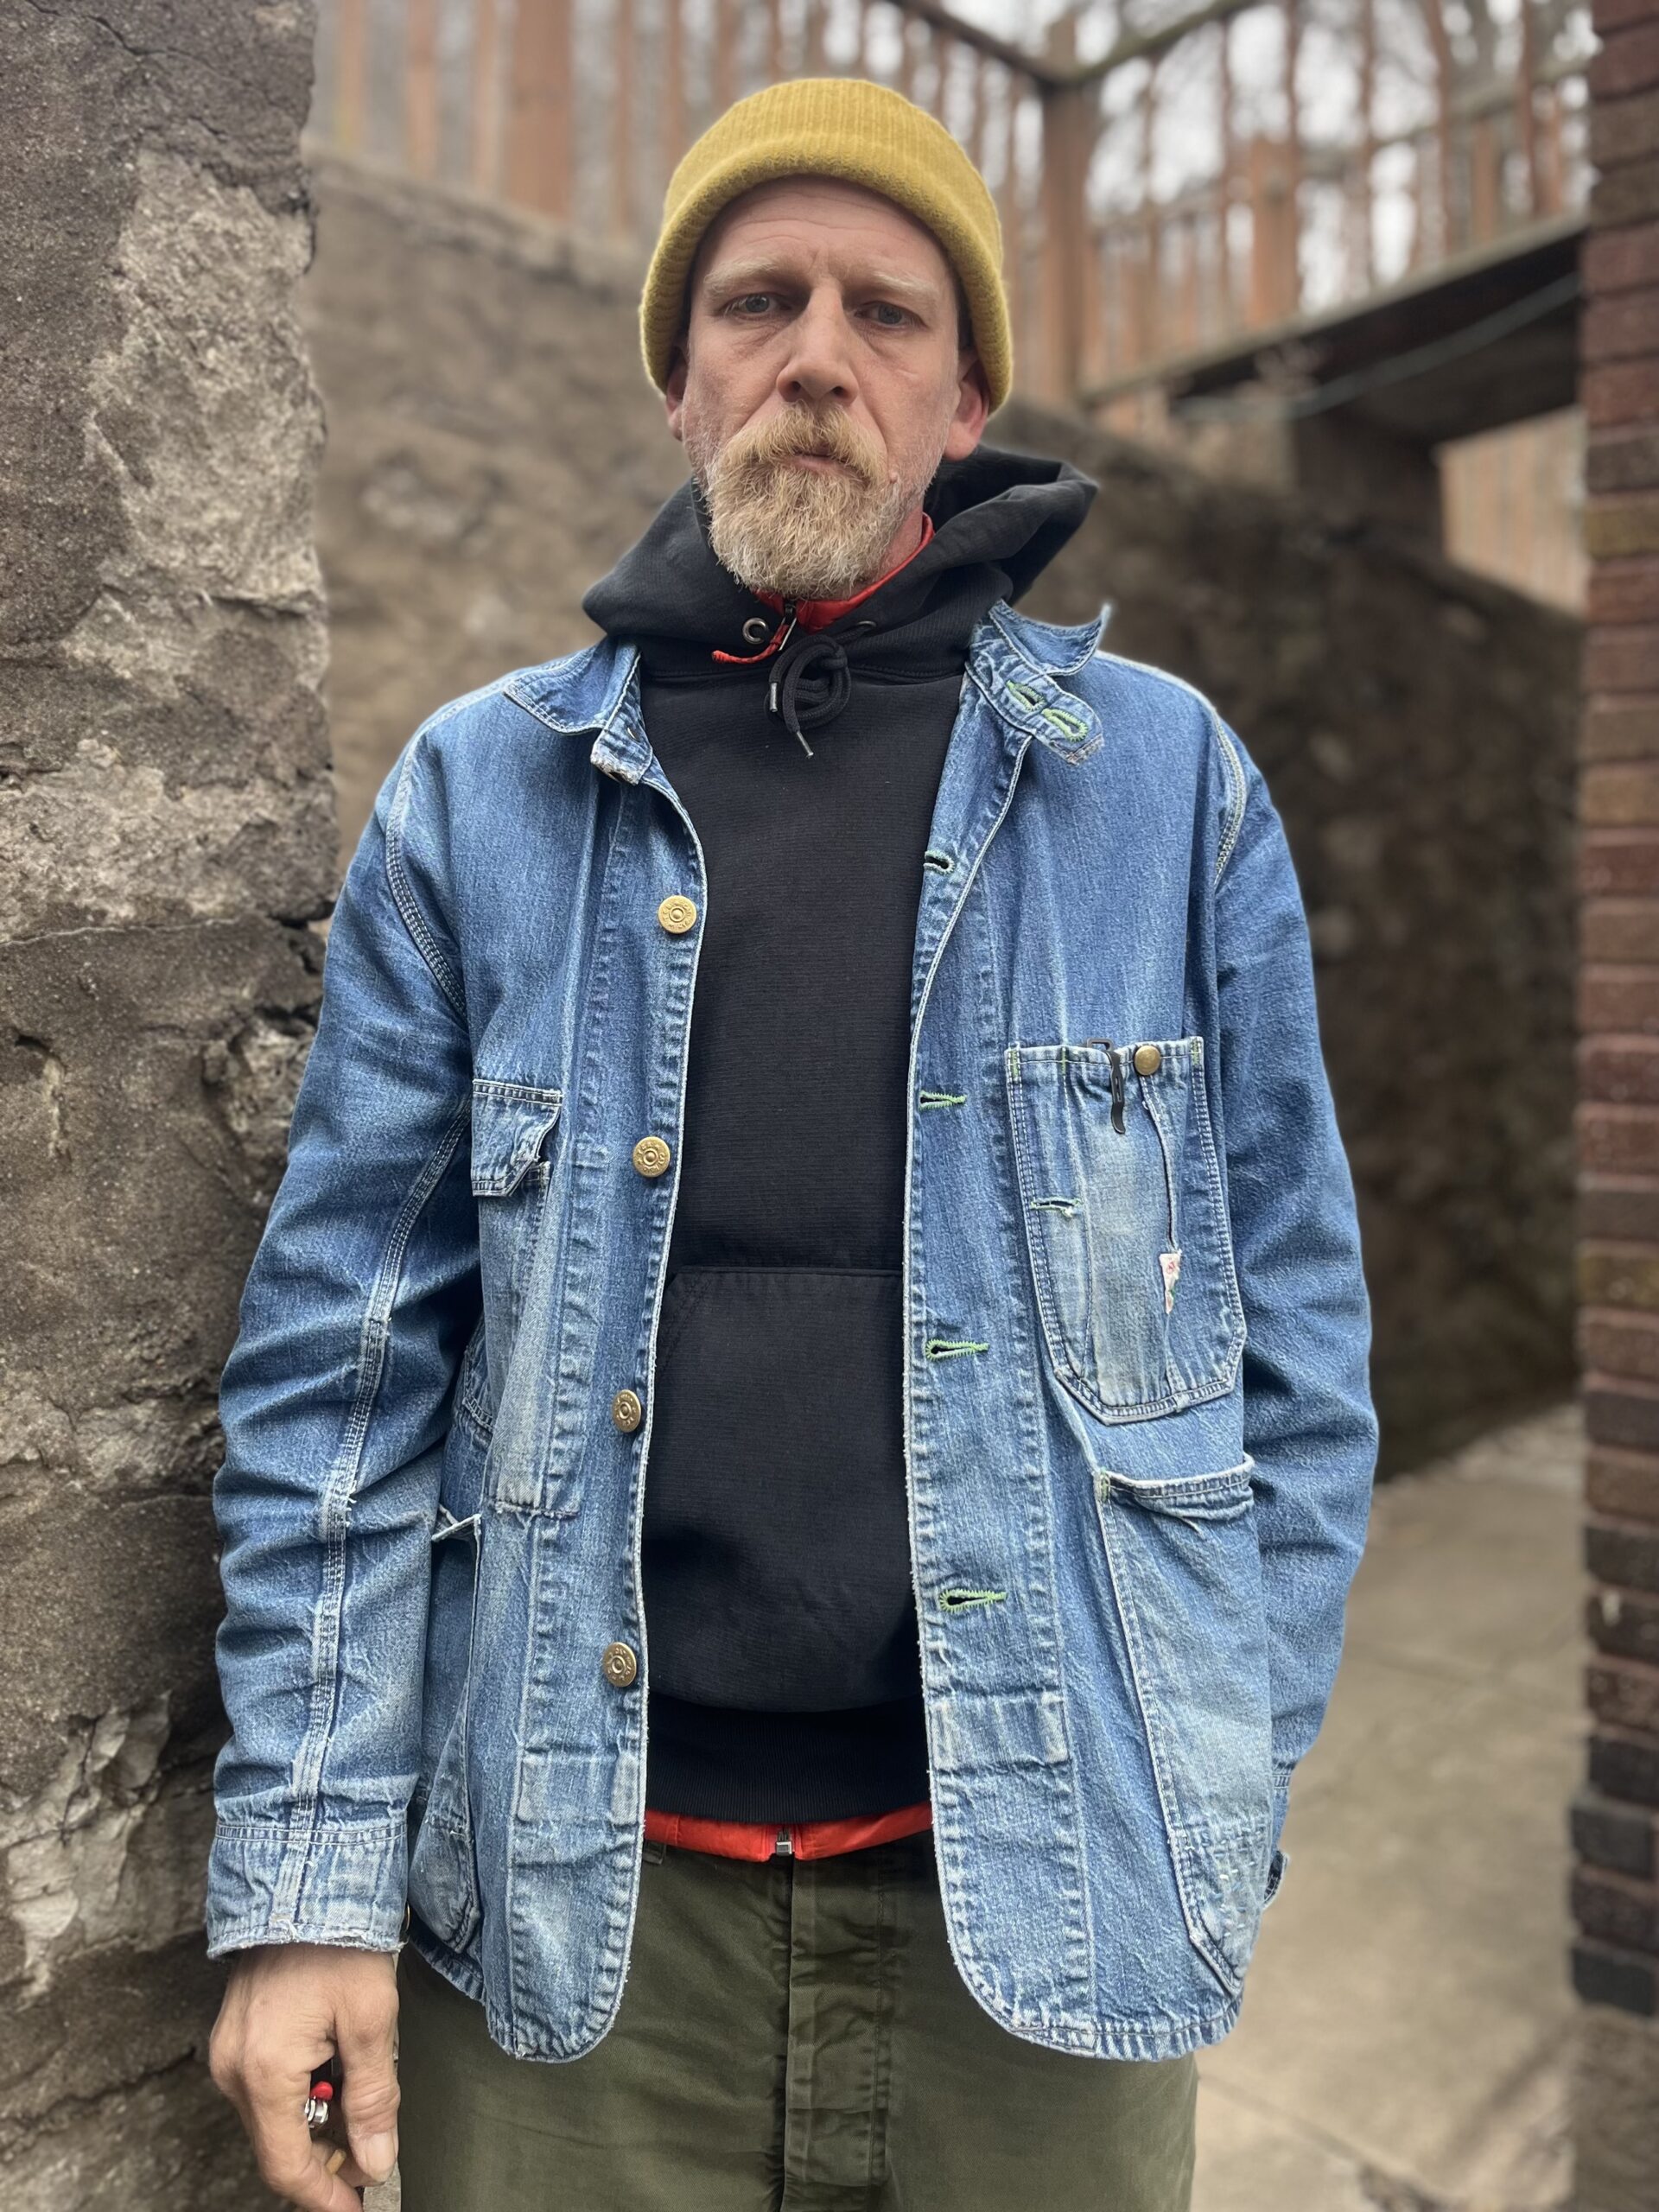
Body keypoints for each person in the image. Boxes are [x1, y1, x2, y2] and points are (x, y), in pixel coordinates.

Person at [205, 73, 1378, 2212]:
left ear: (964, 394)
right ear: (681, 376)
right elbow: (339, 1370)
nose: (817, 355)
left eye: (886, 311)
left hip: (1047, 1924)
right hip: (570, 1933)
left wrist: (1216, 1769)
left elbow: (1295, 1346)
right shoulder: (480, 799)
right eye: (758, 302)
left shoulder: (1163, 791)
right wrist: (305, 1885)